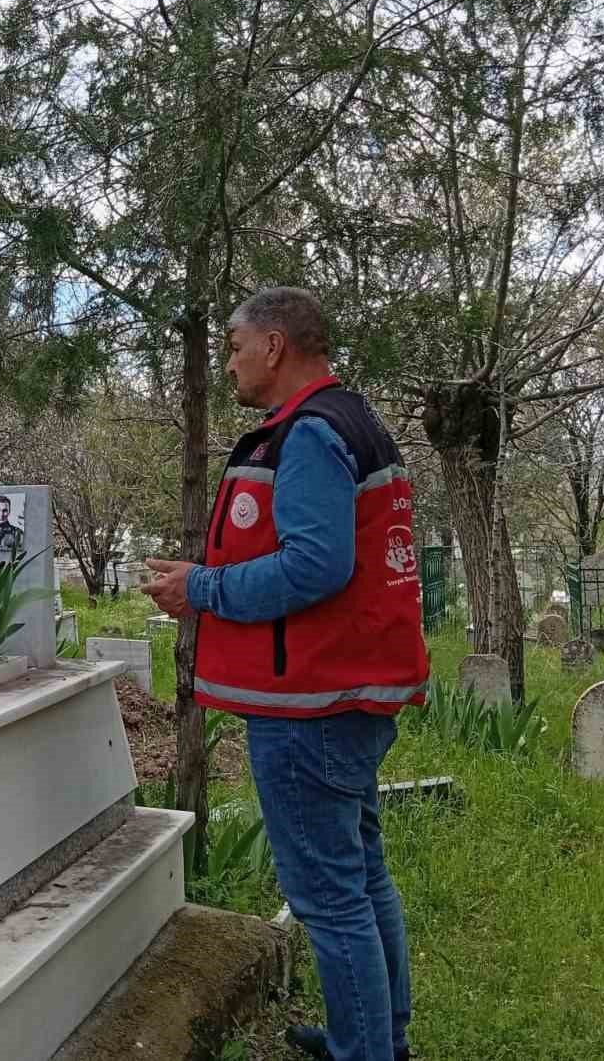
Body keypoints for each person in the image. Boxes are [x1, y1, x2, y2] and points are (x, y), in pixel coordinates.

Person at [141, 287, 428, 1061]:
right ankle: (377, 1038)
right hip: (347, 691)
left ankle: (364, 1053)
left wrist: (200, 589)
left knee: (329, 898)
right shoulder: (353, 421)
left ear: (273, 346)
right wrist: (203, 574)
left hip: (311, 703)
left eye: (235, 345)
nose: (229, 362)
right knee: (362, 878)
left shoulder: (308, 434)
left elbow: (314, 565)